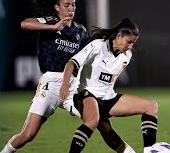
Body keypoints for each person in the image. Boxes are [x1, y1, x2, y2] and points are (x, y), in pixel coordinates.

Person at [0, 0, 135, 153]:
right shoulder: (50, 21)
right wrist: (53, 28)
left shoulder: (81, 31)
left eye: (73, 4)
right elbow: (25, 24)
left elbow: (87, 57)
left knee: (102, 123)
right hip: (51, 84)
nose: (71, 8)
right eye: (66, 5)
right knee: (28, 134)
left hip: (73, 84)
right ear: (57, 7)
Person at [60, 18, 159, 153]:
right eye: (129, 42)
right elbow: (71, 63)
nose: (130, 47)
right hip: (86, 94)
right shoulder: (98, 46)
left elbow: (110, 78)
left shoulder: (126, 56)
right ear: (119, 36)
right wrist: (65, 85)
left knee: (151, 106)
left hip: (107, 99)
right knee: (93, 122)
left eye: (133, 43)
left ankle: (150, 151)